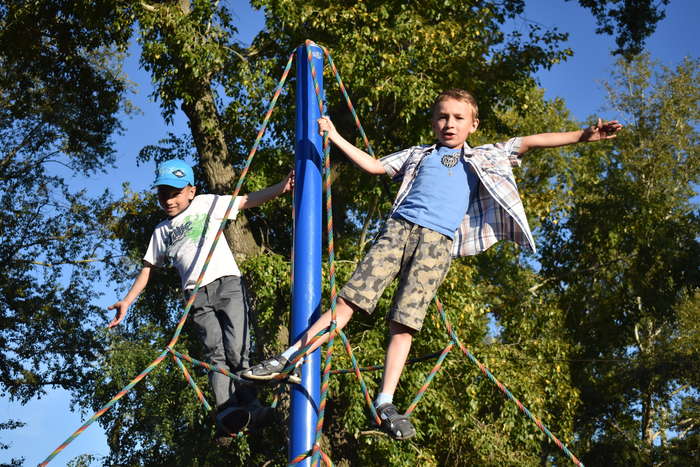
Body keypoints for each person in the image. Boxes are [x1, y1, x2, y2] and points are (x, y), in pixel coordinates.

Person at [241, 89, 622, 440]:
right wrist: (335, 136)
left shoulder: (486, 156)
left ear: (473, 124)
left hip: (437, 244)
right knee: (349, 303)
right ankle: (288, 358)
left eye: (458, 118)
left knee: (404, 322)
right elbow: (375, 167)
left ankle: (385, 401)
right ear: (433, 121)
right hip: (398, 231)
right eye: (442, 117)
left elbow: (534, 141)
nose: (449, 124)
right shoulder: (417, 155)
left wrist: (586, 134)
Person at [107, 158, 294, 445]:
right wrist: (127, 301)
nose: (168, 200)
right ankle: (227, 412)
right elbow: (147, 269)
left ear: (190, 191)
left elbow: (246, 201)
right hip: (195, 295)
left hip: (227, 283)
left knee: (237, 350)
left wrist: (281, 188)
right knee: (213, 353)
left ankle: (252, 408)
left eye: (174, 193)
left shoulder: (206, 204)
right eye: (162, 194)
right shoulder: (161, 231)